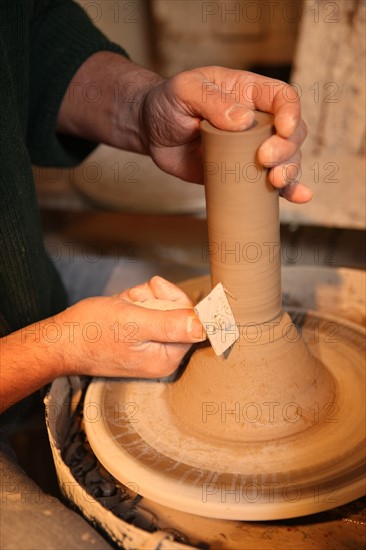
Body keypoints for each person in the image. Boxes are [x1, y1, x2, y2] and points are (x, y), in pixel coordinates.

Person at [0, 1, 309, 547]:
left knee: (165, 275)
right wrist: (56, 347)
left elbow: (29, 44)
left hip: (20, 286)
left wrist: (142, 107)